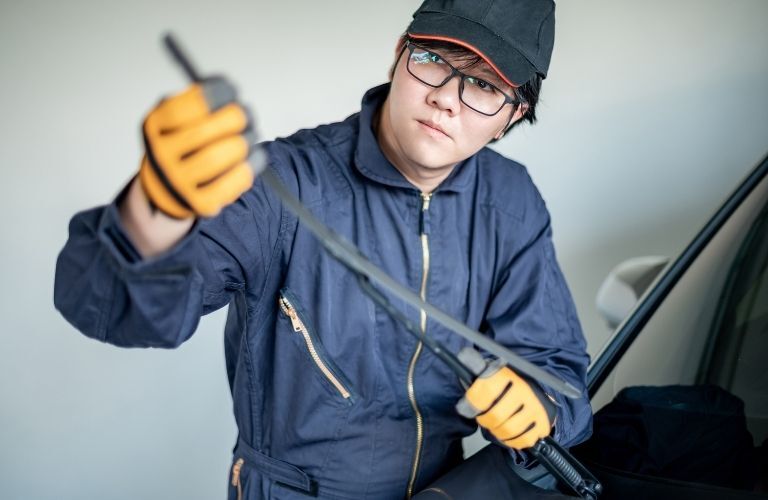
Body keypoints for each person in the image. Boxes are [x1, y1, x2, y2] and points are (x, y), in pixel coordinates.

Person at [54, 0, 592, 498]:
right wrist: (155, 211)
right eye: (432, 58)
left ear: (513, 116)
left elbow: (558, 367)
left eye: (483, 86)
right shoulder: (278, 184)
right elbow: (110, 309)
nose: (446, 97)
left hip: (441, 488)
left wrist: (543, 409)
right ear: (397, 55)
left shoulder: (511, 201)